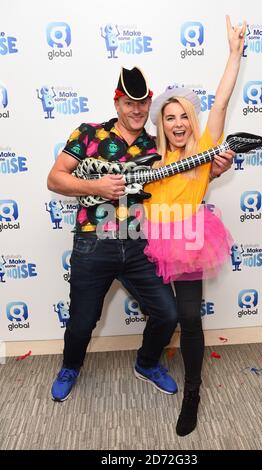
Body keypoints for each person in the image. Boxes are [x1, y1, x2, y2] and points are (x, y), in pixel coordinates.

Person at [47, 66, 180, 402]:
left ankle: (147, 363)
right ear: (117, 103)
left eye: (143, 103)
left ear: (149, 104)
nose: (136, 110)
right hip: (94, 244)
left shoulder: (158, 146)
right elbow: (55, 179)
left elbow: (186, 176)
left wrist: (216, 164)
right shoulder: (89, 134)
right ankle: (71, 366)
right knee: (81, 322)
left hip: (139, 244)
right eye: (128, 103)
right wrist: (96, 186)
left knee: (168, 313)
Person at [142, 16, 246, 436]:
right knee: (158, 313)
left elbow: (220, 103)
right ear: (161, 125)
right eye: (169, 117)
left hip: (186, 241)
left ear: (192, 119)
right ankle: (146, 361)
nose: (178, 123)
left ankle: (192, 394)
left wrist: (234, 54)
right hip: (145, 241)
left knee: (189, 318)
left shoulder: (203, 151)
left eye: (183, 115)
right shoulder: (152, 158)